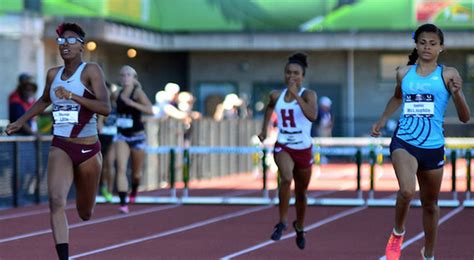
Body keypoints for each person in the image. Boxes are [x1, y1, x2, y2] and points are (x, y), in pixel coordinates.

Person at [6, 22, 111, 260]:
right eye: (62, 41)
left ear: (81, 47)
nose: (65, 45)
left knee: (85, 212)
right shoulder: (53, 74)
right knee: (56, 200)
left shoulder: (91, 71)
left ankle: (87, 205)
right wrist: (20, 121)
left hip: (88, 149)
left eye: (71, 40)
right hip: (61, 145)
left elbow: (105, 108)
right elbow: (44, 100)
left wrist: (72, 95)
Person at [371, 24, 470, 260]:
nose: (427, 47)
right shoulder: (403, 73)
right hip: (405, 140)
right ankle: (398, 233)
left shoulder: (448, 74)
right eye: (423, 42)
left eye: (433, 43)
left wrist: (456, 94)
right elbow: (397, 98)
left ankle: (429, 253)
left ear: (441, 48)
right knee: (407, 190)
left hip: (433, 145)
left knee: (431, 205)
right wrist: (383, 119)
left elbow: (465, 117)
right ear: (416, 44)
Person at [258, 52, 318, 250]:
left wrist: (296, 97)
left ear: (302, 76)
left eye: (296, 73)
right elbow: (269, 108)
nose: (292, 76)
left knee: (301, 192)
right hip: (284, 144)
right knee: (285, 177)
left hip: (303, 147)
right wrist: (264, 130)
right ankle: (282, 221)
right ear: (284, 75)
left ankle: (299, 226)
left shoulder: (308, 95)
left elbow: (312, 116)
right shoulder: (276, 95)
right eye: (288, 73)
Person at [114, 65, 153, 213]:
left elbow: (150, 109)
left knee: (136, 173)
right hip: (122, 135)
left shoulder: (138, 93)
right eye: (122, 75)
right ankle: (123, 203)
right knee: (121, 169)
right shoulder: (116, 94)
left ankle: (135, 188)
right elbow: (108, 109)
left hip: (137, 136)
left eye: (128, 75)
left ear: (134, 78)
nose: (125, 77)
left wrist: (133, 104)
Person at [97, 82, 118, 202]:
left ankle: (110, 191)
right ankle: (103, 187)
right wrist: (99, 124)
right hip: (102, 137)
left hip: (113, 137)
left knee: (110, 164)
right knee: (102, 166)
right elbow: (100, 120)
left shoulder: (117, 105)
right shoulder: (101, 104)